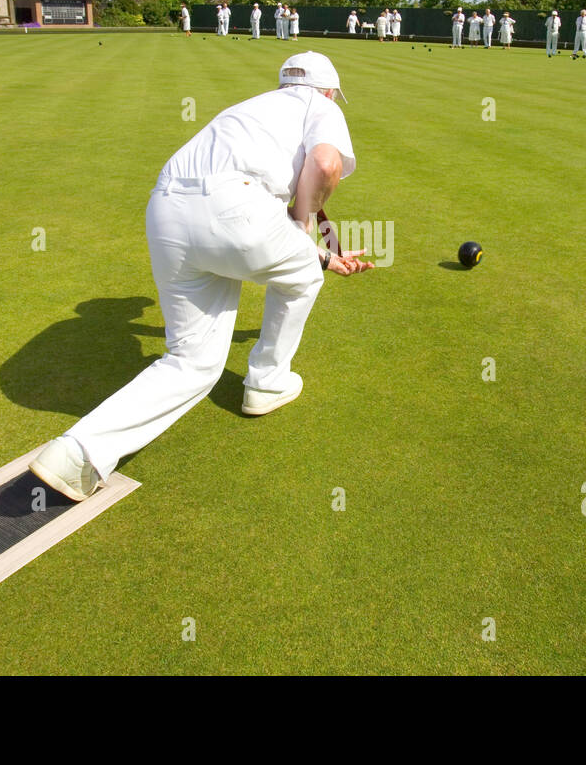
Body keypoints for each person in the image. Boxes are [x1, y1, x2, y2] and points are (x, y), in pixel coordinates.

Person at [28, 52, 375, 502]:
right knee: (303, 279)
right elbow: (325, 166)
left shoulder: (251, 111)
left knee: (191, 362)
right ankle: (267, 382)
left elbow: (293, 193)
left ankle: (76, 453)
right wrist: (306, 232)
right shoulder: (322, 107)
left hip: (167, 208)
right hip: (238, 210)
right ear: (328, 92)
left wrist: (322, 250)